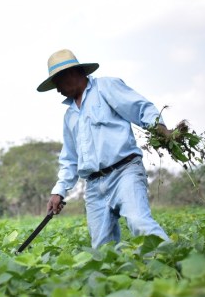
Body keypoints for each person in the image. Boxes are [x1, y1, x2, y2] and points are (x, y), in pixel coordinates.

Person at [37, 49, 170, 248]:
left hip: (124, 172)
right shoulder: (70, 116)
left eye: (58, 84)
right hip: (93, 186)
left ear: (72, 73)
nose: (57, 90)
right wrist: (59, 191)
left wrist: (161, 130)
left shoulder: (105, 87)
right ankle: (115, 278)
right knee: (101, 247)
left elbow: (140, 108)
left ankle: (176, 265)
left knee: (139, 222)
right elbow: (70, 159)